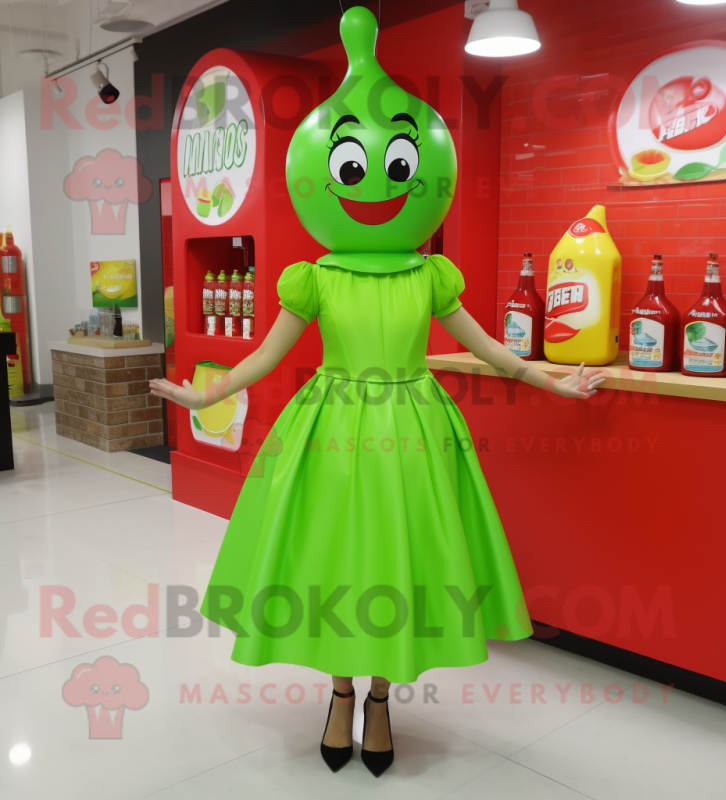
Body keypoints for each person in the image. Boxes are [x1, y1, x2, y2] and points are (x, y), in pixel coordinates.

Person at [149, 6, 605, 779]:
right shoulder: (316, 277)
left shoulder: (430, 275)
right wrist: (206, 395)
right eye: (353, 168)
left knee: (397, 558)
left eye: (397, 164)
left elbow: (485, 345)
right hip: (331, 425)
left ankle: (383, 699)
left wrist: (549, 381)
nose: (375, 184)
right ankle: (339, 693)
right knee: (335, 557)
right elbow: (267, 354)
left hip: (412, 424)